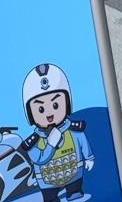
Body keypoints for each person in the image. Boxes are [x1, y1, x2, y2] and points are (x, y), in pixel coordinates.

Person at [20, 63, 93, 202]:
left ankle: (74, 191)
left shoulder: (73, 129)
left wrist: (89, 158)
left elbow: (82, 141)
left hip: (74, 175)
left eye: (55, 105)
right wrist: (50, 145)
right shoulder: (33, 142)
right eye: (41, 109)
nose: (49, 114)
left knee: (76, 191)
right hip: (47, 183)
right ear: (30, 113)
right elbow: (38, 159)